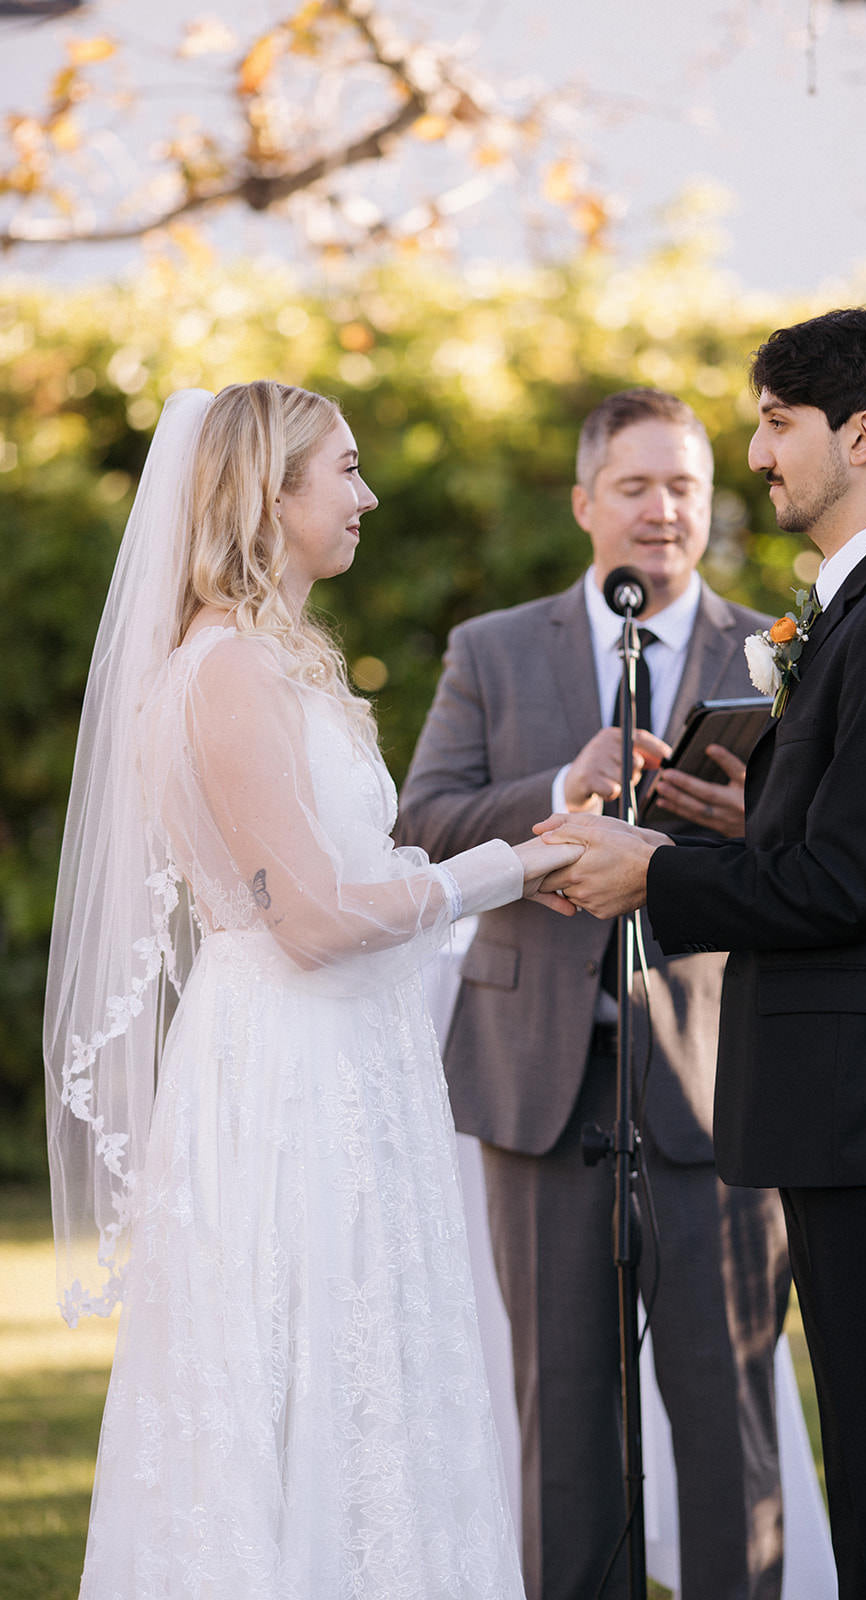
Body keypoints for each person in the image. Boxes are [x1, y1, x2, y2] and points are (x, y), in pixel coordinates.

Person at [42, 381, 582, 1599]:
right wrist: (507, 864)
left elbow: (343, 879)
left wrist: (462, 874)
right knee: (295, 1368)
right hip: (286, 1073)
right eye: (343, 470)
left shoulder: (279, 660)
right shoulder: (225, 669)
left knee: (371, 1371)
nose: (367, 496)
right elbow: (319, 920)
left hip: (353, 1056)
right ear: (268, 494)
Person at [535, 311, 866, 1600]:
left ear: (857, 435)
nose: (754, 453)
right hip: (851, 1108)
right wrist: (748, 821)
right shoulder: (865, 603)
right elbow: (854, 846)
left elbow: (850, 886)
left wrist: (655, 870)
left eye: (773, 422)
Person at [398, 388, 792, 1600]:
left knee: (727, 1419)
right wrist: (555, 784)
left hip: (719, 1083)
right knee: (559, 1420)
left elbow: (823, 860)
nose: (662, 510)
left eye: (684, 486)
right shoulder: (491, 649)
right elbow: (416, 826)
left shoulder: (775, 652)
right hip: (535, 1074)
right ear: (583, 503)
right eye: (635, 485)